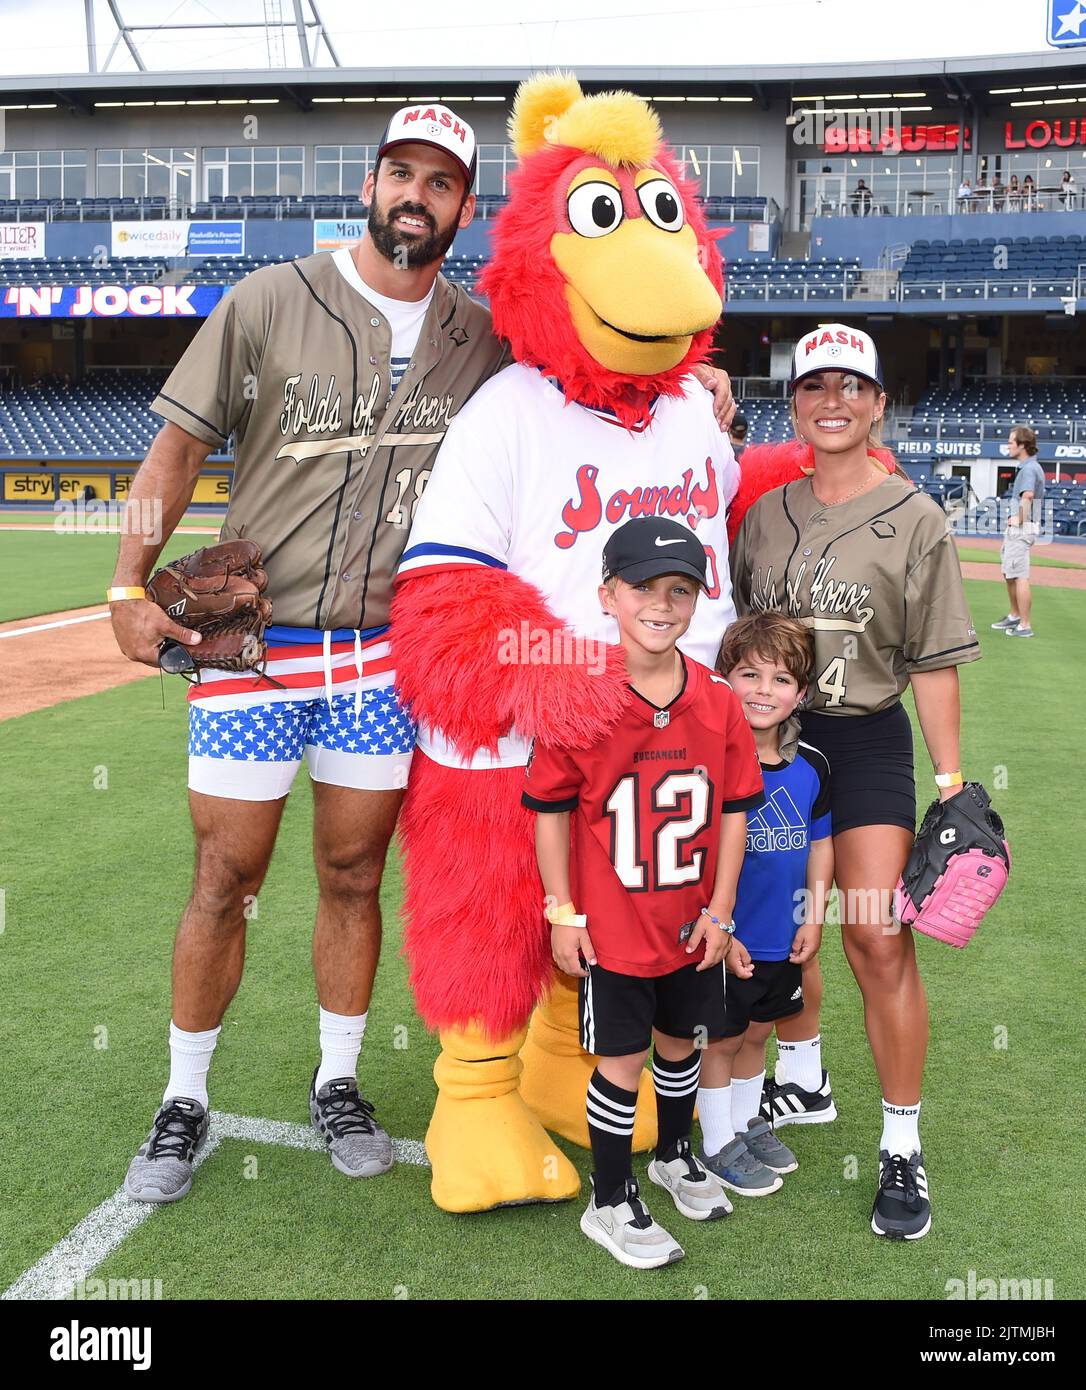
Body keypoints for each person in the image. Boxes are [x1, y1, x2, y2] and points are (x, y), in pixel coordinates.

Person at [110, 97, 736, 1205]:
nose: (417, 195)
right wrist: (126, 577)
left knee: (353, 873)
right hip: (258, 648)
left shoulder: (479, 332)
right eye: (400, 174)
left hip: (386, 661)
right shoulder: (267, 298)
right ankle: (183, 1094)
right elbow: (175, 447)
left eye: (441, 182)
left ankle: (340, 1080)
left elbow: (586, 365)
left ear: (463, 206)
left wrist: (693, 386)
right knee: (225, 875)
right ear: (370, 185)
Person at [730, 322, 981, 1240]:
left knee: (873, 935)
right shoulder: (764, 514)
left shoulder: (915, 515)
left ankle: (902, 1146)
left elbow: (933, 661)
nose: (830, 401)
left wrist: (951, 782)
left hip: (866, 738)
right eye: (812, 387)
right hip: (772, 741)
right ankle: (794, 1084)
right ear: (792, 403)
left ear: (877, 403)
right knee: (761, 921)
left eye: (850, 386)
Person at [523, 517, 766, 1268]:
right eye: (642, 588)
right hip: (617, 926)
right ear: (608, 594)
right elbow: (550, 814)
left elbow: (732, 814)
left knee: (680, 1045)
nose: (660, 604)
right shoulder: (579, 698)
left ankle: (673, 1154)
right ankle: (608, 1200)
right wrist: (562, 912)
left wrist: (722, 912)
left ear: (697, 598)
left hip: (692, 921)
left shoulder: (719, 702)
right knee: (621, 1061)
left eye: (679, 589)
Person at [696, 611, 835, 1195]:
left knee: (757, 1034)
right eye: (749, 675)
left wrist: (815, 909)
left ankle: (747, 1121)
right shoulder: (708, 760)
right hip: (730, 935)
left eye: (780, 680)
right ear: (722, 679)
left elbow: (820, 841)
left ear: (800, 694)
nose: (763, 691)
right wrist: (718, 925)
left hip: (783, 931)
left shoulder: (814, 765)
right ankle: (714, 1140)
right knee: (721, 1039)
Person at [992, 425, 1047, 640]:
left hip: (1022, 527)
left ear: (1022, 445)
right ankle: (1015, 615)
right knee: (1009, 572)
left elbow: (1028, 496)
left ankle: (1025, 625)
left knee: (1019, 575)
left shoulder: (1029, 469)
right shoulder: (1028, 467)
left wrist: (1018, 519)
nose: (1008, 445)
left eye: (1011, 441)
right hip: (1020, 527)